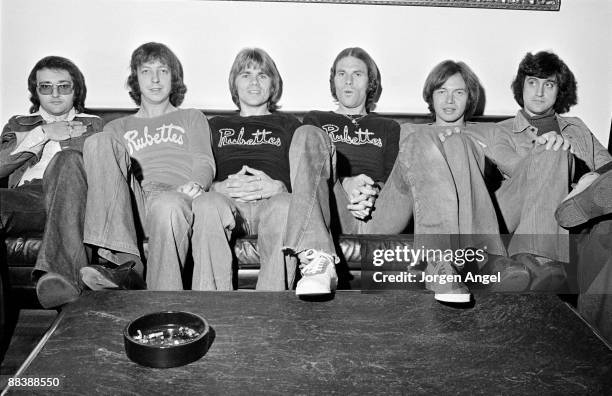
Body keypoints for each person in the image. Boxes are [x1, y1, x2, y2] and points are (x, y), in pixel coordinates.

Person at [304, 50, 528, 304]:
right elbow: (308, 171)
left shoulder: (389, 127)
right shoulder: (315, 121)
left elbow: (398, 176)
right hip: (337, 206)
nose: (348, 81)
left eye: (357, 74)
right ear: (333, 80)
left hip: (382, 209)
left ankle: (444, 264)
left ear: (370, 83)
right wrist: (345, 181)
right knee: (310, 136)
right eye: (341, 74)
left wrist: (374, 189)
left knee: (424, 139)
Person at [200, 47, 338, 295]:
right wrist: (216, 187)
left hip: (273, 202)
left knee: (285, 206)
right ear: (234, 83)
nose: (254, 81)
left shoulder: (290, 124)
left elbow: (306, 176)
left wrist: (281, 187)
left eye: (262, 75)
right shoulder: (215, 125)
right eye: (245, 74)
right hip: (227, 203)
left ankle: (272, 309)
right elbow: (201, 168)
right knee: (207, 204)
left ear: (273, 85)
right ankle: (212, 307)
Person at [78, 42, 215, 291]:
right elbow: (109, 178)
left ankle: (159, 307)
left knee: (168, 205)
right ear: (135, 79)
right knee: (98, 141)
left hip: (178, 195)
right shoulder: (117, 127)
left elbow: (204, 160)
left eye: (163, 71)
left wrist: (196, 184)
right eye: (146, 71)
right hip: (135, 200)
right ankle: (125, 262)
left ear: (174, 78)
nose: (154, 79)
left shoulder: (190, 117)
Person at [491, 51, 612, 291]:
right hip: (519, 208)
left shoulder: (577, 127)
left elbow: (607, 164)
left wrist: (589, 178)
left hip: (580, 213)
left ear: (559, 91)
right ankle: (540, 259)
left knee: (605, 221)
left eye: (549, 84)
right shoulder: (500, 131)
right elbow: (514, 172)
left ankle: (592, 326)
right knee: (552, 148)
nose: (539, 92)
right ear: (521, 87)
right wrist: (553, 151)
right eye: (532, 82)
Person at [0, 56, 103, 308]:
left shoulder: (94, 124)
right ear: (36, 91)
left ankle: (63, 281)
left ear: (75, 89)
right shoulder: (19, 123)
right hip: (26, 199)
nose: (55, 94)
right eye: (45, 87)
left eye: (63, 86)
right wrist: (44, 133)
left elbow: (101, 171)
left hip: (72, 194)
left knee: (67, 160)